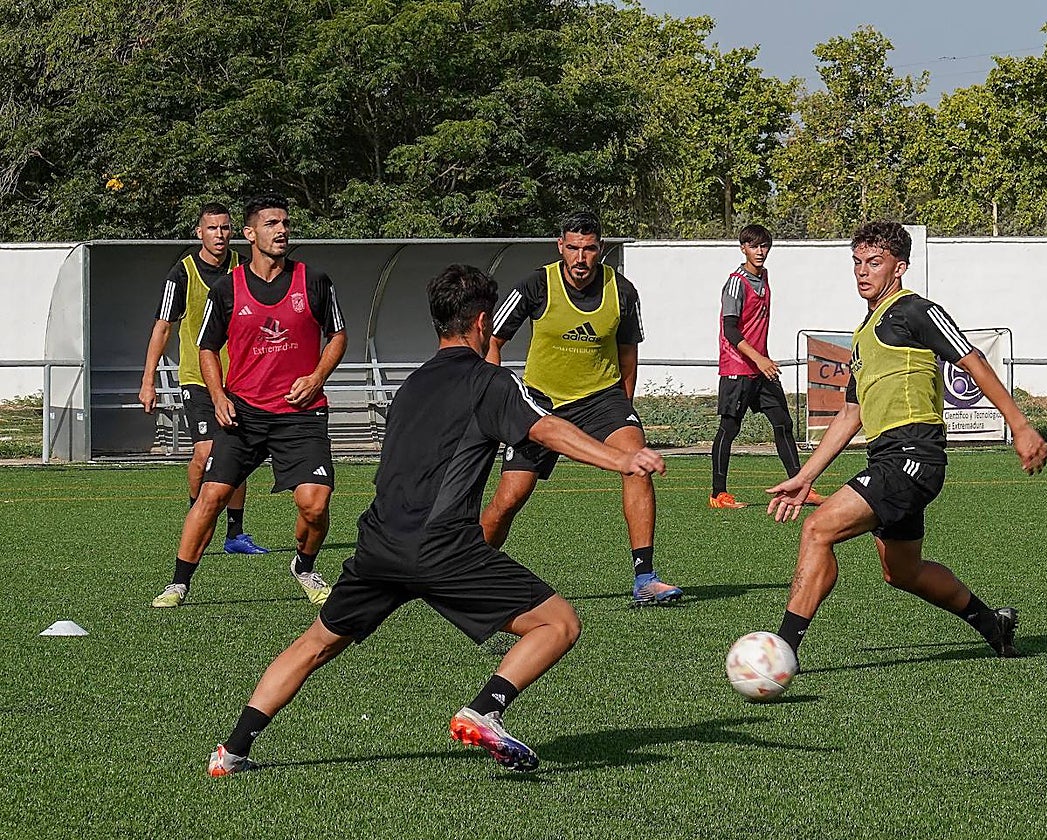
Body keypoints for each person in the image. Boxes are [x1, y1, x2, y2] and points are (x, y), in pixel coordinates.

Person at [206, 264, 666, 776]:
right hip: (443, 546)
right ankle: (485, 710)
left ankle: (231, 751)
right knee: (558, 624)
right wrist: (621, 458)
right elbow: (547, 428)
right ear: (484, 322)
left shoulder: (409, 386)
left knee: (315, 644)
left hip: (378, 545)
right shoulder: (490, 382)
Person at [766, 221, 1047, 661]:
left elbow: (970, 358)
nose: (863, 272)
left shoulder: (914, 310)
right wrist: (804, 476)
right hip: (888, 457)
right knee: (902, 571)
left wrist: (1020, 424)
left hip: (913, 455)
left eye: (874, 263)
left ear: (899, 268)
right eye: (857, 263)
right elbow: (851, 414)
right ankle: (994, 624)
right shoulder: (864, 334)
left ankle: (781, 650)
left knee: (818, 530)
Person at [150, 194, 347, 608]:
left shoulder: (315, 280)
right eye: (272, 223)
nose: (282, 230)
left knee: (315, 503)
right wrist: (219, 396)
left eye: (285, 223)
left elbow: (338, 336)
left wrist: (316, 378)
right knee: (211, 494)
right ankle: (178, 583)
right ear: (251, 233)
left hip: (301, 414)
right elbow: (206, 348)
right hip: (245, 413)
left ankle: (305, 566)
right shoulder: (226, 289)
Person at [480, 211, 681, 606]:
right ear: (560, 247)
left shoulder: (622, 291)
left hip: (601, 400)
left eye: (589, 249)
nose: (580, 258)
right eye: (572, 248)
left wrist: (625, 407)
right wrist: (496, 400)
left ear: (600, 249)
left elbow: (628, 355)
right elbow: (494, 340)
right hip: (540, 403)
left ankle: (645, 578)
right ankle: (466, 572)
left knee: (636, 462)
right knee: (508, 500)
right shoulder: (535, 284)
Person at [138, 203, 267, 555]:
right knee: (206, 453)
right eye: (212, 229)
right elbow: (162, 327)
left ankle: (235, 534)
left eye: (225, 228)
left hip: (239, 380)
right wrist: (148, 380)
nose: (220, 235)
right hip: (197, 378)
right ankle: (198, 514)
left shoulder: (246, 268)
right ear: (199, 233)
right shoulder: (182, 274)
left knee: (235, 455)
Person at [709, 223, 825, 510]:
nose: (760, 252)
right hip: (738, 366)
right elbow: (731, 331)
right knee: (729, 428)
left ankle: (800, 486)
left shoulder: (765, 276)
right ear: (743, 248)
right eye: (754, 246)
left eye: (764, 246)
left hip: (761, 369)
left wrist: (762, 361)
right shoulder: (736, 282)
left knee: (783, 423)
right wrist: (758, 358)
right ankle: (718, 494)